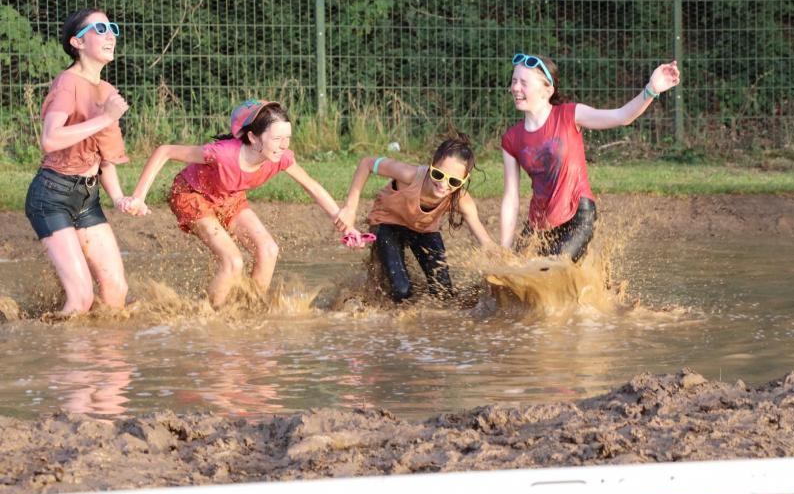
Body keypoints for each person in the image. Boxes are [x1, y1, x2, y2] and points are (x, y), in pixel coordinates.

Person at [125, 100, 347, 308]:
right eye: (277, 139)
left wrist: (341, 217)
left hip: (229, 197)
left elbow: (311, 185)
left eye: (287, 138)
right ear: (253, 137)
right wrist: (138, 197)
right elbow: (165, 151)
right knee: (233, 261)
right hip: (192, 195)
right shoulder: (222, 154)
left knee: (269, 250)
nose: (284, 145)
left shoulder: (282, 158)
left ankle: (247, 310)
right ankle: (212, 318)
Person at [500, 53, 680, 261]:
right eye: (514, 81)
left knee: (549, 271)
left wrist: (652, 89)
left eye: (524, 82)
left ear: (548, 90)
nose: (515, 88)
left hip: (577, 215)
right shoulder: (511, 139)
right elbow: (511, 199)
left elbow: (622, 117)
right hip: (539, 224)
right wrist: (504, 249)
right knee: (512, 277)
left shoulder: (570, 115)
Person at [24, 8, 140, 316]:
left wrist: (119, 198)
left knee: (117, 291)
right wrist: (105, 117)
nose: (110, 35)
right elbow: (50, 138)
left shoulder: (107, 91)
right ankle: (61, 357)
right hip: (52, 196)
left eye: (112, 28)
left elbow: (106, 158)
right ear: (77, 42)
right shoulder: (67, 83)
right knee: (81, 299)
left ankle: (102, 361)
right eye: (100, 29)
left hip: (88, 199)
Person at [334, 135, 495, 303]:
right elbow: (367, 163)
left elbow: (487, 243)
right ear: (432, 165)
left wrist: (508, 267)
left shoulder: (462, 200)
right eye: (438, 174)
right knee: (401, 291)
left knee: (443, 293)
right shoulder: (410, 174)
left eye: (453, 181)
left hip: (423, 230)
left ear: (463, 181)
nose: (443, 185)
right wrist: (350, 208)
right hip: (388, 223)